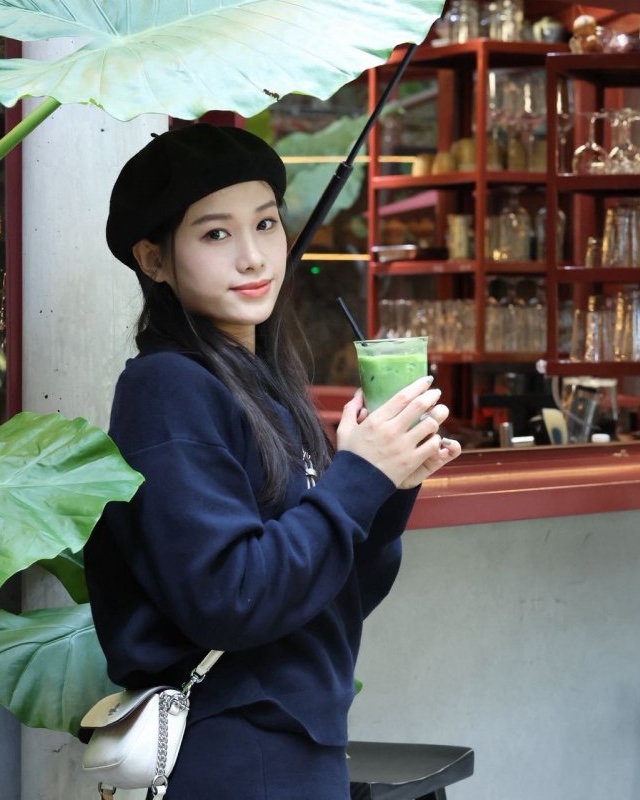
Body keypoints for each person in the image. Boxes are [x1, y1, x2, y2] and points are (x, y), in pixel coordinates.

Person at [84, 123, 461, 800]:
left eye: (265, 223)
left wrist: (389, 481)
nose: (253, 257)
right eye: (216, 234)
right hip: (239, 747)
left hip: (298, 740)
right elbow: (231, 599)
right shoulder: (167, 389)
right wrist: (358, 477)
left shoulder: (266, 385)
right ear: (154, 259)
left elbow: (339, 592)